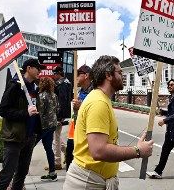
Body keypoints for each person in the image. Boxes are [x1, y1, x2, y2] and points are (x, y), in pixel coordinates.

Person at [63, 55, 154, 190]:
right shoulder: (98, 103)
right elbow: (98, 151)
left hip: (93, 180)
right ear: (108, 75)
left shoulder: (101, 99)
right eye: (119, 72)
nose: (122, 76)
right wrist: (138, 151)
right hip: (87, 183)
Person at [0, 58, 43, 190]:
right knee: (7, 175)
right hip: (14, 137)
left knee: (22, 172)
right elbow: (3, 110)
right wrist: (25, 113)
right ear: (28, 68)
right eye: (38, 68)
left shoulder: (34, 87)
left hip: (30, 136)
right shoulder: (15, 85)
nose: (40, 71)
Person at [65, 64, 93, 171]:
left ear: (86, 75)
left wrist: (80, 106)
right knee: (69, 158)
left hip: (85, 134)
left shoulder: (94, 92)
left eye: (78, 75)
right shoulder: (78, 90)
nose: (75, 77)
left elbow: (94, 110)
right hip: (73, 131)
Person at [36, 76, 59, 182]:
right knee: (48, 148)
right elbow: (57, 109)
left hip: (43, 126)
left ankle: (21, 172)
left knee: (29, 147)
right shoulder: (54, 95)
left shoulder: (41, 96)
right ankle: (52, 173)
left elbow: (40, 112)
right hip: (52, 125)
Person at [51, 66, 72, 170]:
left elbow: (62, 101)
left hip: (59, 114)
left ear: (59, 73)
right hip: (62, 114)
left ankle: (57, 162)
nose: (53, 75)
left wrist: (59, 117)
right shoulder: (67, 82)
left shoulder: (62, 84)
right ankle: (68, 152)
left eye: (55, 73)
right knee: (57, 137)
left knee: (56, 138)